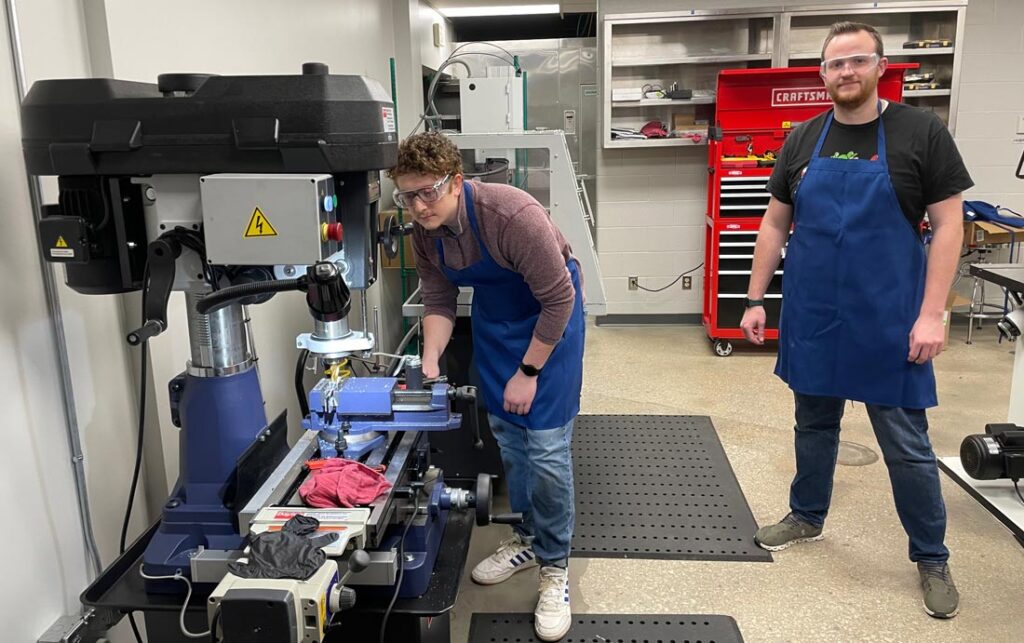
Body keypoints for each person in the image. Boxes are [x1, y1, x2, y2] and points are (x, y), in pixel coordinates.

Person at [740, 21, 973, 619]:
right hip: (815, 314)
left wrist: (932, 315)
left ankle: (931, 555)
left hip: (890, 320)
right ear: (822, 73)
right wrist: (756, 297)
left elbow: (950, 225)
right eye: (834, 64)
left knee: (906, 445)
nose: (846, 73)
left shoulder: (922, 132)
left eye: (857, 61)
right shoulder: (802, 139)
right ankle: (808, 515)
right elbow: (774, 221)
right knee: (813, 424)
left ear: (879, 65)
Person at [388, 132, 585, 641]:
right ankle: (525, 536)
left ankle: (555, 566)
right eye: (407, 196)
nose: (418, 205)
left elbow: (559, 300)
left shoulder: (511, 216)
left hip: (549, 326)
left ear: (456, 181)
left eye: (428, 191)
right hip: (499, 325)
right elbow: (438, 297)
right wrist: (429, 360)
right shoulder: (424, 231)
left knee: (544, 448)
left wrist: (530, 372)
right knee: (509, 442)